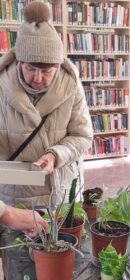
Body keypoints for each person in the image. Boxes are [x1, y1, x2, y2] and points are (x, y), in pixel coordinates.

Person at [0, 1, 93, 207]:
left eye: (47, 71)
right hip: (15, 193)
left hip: (60, 187)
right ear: (19, 62)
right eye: (31, 69)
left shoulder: (71, 84)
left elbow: (83, 135)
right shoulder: (1, 85)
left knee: (62, 237)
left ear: (58, 66)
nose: (38, 78)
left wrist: (55, 154)